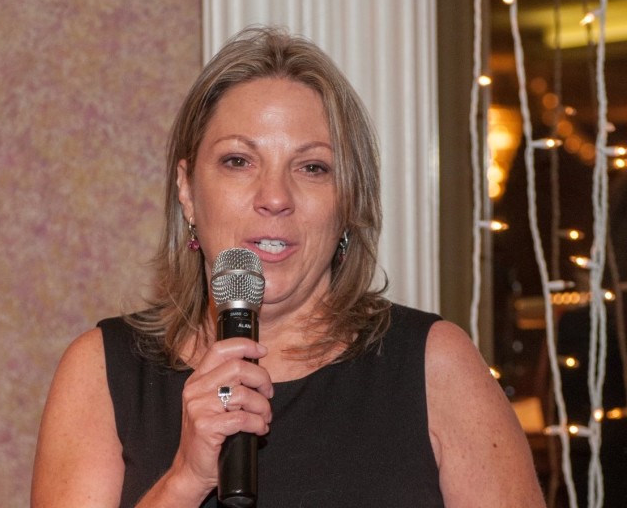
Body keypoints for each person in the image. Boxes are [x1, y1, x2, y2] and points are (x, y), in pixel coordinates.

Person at [31, 26, 545, 507]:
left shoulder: (436, 366)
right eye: (239, 161)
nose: (275, 197)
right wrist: (184, 480)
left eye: (312, 167)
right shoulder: (101, 370)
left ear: (348, 201)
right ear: (187, 190)